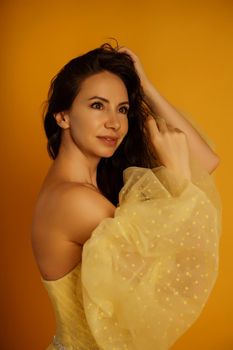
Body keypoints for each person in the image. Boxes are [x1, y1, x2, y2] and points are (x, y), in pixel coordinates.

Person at [31, 42, 222, 350]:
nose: (115, 122)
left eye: (122, 109)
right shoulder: (75, 201)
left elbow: (206, 163)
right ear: (63, 117)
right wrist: (179, 176)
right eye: (97, 105)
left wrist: (145, 87)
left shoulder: (92, 187)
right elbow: (159, 287)